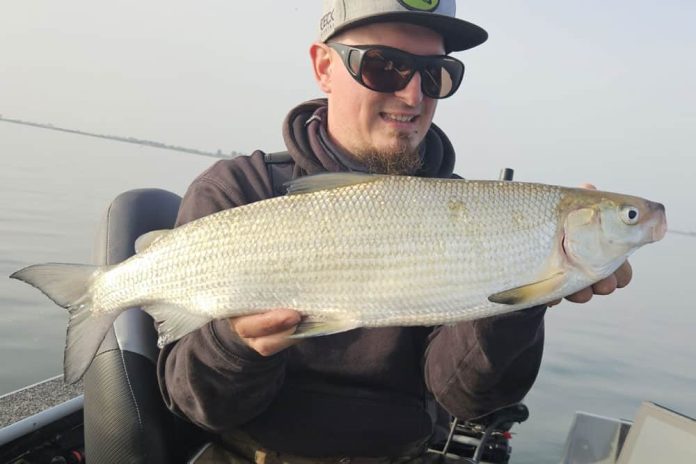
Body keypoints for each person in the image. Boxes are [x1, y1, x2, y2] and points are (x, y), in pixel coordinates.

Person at [157, 1, 633, 462]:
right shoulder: (240, 189)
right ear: (324, 67)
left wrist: (523, 295)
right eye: (384, 67)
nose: (412, 96)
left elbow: (465, 399)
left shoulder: (469, 213)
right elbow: (194, 404)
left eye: (435, 74)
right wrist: (237, 345)